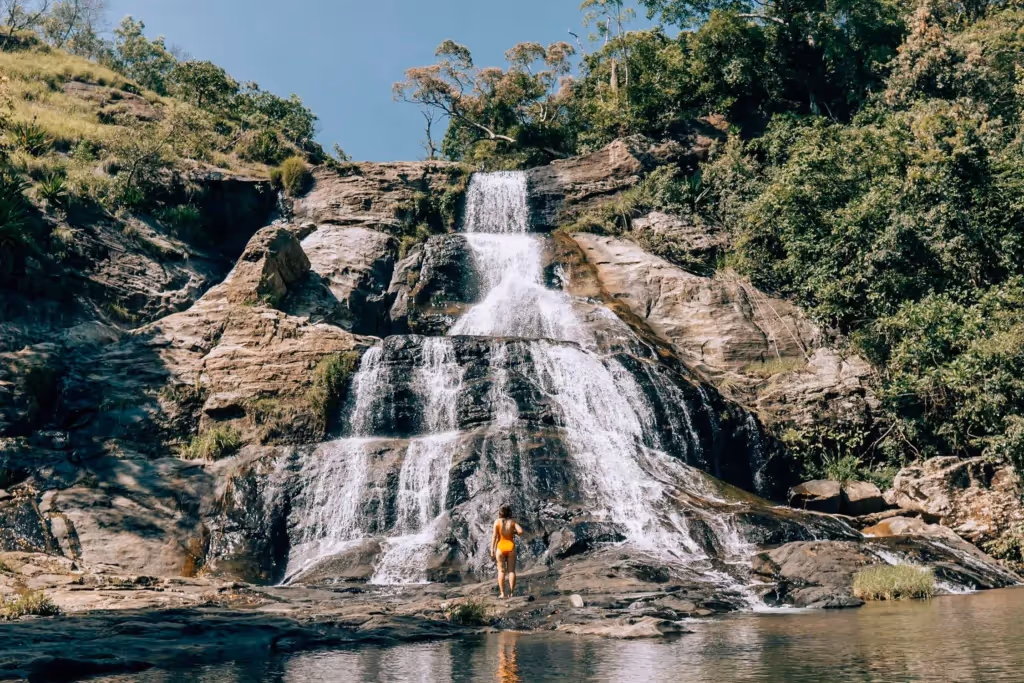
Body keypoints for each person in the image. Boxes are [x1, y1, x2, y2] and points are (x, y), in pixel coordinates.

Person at [491, 505, 523, 599]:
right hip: (510, 547)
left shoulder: (497, 522)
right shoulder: (512, 522)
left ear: (500, 513)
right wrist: (514, 533)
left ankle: (502, 593)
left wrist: (492, 550)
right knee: (511, 571)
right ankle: (512, 593)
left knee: (501, 571)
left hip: (500, 547)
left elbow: (494, 536)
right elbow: (521, 531)